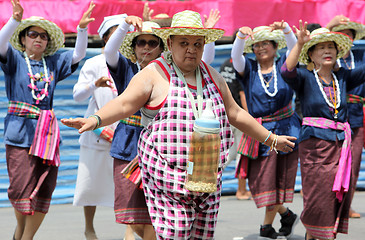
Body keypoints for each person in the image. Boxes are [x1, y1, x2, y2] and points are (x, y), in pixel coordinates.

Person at [61, 10, 296, 240]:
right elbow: (124, 104)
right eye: (184, 43)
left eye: (197, 44)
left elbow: (234, 112)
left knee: (201, 236)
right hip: (166, 175)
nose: (191, 50)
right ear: (170, 43)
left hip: (206, 176)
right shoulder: (154, 73)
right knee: (175, 232)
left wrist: (271, 139)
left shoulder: (212, 75)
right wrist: (94, 120)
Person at [0, 0, 94, 239]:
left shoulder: (52, 62)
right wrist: (15, 21)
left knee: (44, 186)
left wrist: (81, 30)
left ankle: (27, 236)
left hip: (46, 134)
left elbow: (78, 55)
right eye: (33, 34)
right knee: (19, 187)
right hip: (19, 132)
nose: (39, 39)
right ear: (23, 39)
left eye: (44, 36)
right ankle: (20, 229)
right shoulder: (14, 59)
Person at [281, 20, 365, 240]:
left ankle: (320, 236)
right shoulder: (305, 77)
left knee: (336, 197)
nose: (327, 50)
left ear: (338, 52)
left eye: (331, 47)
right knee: (318, 196)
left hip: (340, 145)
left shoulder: (343, 77)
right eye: (321, 47)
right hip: (315, 146)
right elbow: (286, 70)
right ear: (310, 54)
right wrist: (298, 44)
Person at [231, 21, 301, 239]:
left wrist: (287, 29)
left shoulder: (284, 66)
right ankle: (286, 214)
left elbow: (293, 49)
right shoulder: (249, 68)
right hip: (259, 131)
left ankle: (266, 227)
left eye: (265, 44)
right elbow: (236, 57)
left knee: (274, 181)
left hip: (285, 127)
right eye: (256, 45)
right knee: (259, 181)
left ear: (274, 46)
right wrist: (241, 37)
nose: (260, 48)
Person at [72, 14, 135, 240]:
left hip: (126, 132)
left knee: (129, 183)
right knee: (91, 185)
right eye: (115, 33)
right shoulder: (94, 63)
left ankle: (129, 229)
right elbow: (77, 95)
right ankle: (89, 227)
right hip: (97, 131)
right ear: (106, 38)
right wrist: (93, 84)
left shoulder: (133, 61)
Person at [327, 15, 365, 219]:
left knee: (354, 163)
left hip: (358, 115)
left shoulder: (361, 55)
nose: (346, 38)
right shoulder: (328, 56)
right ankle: (329, 205)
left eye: (349, 35)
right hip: (333, 115)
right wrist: (330, 25)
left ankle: (346, 206)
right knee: (331, 162)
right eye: (341, 35)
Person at [218, 55, 251, 200]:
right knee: (241, 154)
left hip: (224, 113)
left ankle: (210, 179)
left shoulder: (225, 63)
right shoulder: (241, 66)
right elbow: (242, 93)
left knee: (227, 153)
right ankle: (241, 190)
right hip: (238, 114)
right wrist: (249, 117)